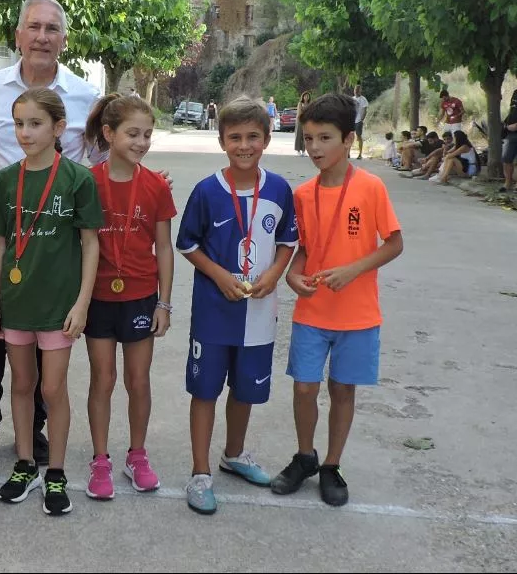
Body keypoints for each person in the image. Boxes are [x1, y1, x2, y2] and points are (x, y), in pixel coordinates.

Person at [0, 0, 102, 467]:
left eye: (52, 29)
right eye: (34, 27)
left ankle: (36, 431)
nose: (42, 36)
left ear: (63, 39)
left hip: (53, 239)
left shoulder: (85, 96)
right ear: (18, 35)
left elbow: (101, 159)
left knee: (47, 354)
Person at [271, 93, 404, 507]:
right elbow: (305, 248)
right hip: (312, 311)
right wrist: (293, 275)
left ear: (348, 139)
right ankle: (305, 456)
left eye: (325, 138)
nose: (315, 148)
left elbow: (394, 243)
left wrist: (353, 270)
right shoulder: (303, 194)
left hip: (358, 315)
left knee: (343, 389)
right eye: (309, 138)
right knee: (304, 388)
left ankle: (331, 464)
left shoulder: (370, 187)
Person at [0, 87, 102, 517]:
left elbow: (91, 244)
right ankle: (25, 464)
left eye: (35, 124)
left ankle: (56, 472)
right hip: (16, 303)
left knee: (52, 389)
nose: (25, 133)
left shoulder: (78, 179)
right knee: (21, 384)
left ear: (58, 127)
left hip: (58, 307)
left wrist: (82, 304)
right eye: (19, 124)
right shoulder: (3, 181)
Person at [176, 97, 297, 515]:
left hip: (259, 313)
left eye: (252, 137)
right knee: (205, 390)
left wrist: (275, 273)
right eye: (235, 137)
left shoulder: (279, 189)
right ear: (221, 140)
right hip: (214, 312)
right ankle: (200, 472)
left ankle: (234, 454)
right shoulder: (207, 191)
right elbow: (187, 244)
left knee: (245, 389)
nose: (244, 146)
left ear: (267, 138)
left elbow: (288, 241)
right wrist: (220, 275)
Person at [80, 94, 177, 500]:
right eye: (132, 133)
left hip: (140, 296)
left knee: (138, 380)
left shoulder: (155, 186)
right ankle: (100, 460)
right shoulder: (86, 182)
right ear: (109, 133)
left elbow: (164, 248)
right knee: (103, 379)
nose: (141, 142)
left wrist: (164, 303)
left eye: (147, 135)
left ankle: (137, 455)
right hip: (99, 298)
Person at [351, 86, 368, 159]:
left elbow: (365, 109)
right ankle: (348, 153)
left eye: (358, 90)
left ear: (360, 91)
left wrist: (362, 119)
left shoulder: (363, 99)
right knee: (350, 136)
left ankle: (360, 154)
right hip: (352, 120)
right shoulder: (352, 99)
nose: (356, 91)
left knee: (358, 136)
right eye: (355, 89)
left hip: (358, 120)